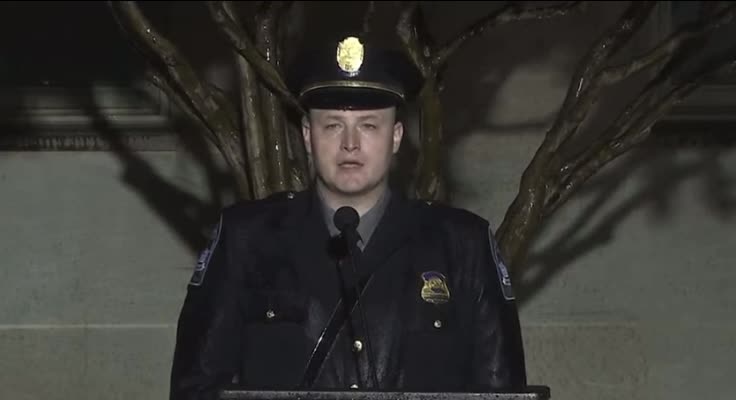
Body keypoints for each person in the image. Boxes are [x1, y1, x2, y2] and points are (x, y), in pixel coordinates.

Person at [169, 35, 527, 400]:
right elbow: (196, 388)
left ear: (396, 137)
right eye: (333, 125)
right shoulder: (248, 239)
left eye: (369, 125)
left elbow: (502, 391)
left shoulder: (461, 245)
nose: (350, 144)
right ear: (308, 136)